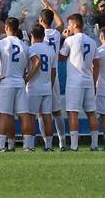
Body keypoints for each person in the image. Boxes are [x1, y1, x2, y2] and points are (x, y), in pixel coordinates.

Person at [58, 13, 100, 151]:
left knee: (72, 112)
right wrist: (94, 81)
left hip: (74, 81)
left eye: (69, 24)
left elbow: (62, 57)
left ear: (75, 24)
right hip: (88, 78)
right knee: (91, 113)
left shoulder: (70, 40)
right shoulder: (92, 41)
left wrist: (63, 38)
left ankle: (74, 145)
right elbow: (97, 63)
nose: (68, 27)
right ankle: (94, 144)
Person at [0, 17, 30, 152]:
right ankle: (27, 146)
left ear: (6, 28)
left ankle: (1, 146)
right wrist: (28, 77)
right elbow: (36, 61)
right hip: (20, 82)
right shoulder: (24, 45)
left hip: (6, 81)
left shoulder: (1, 43)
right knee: (23, 114)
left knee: (4, 114)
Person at [38, 8, 67, 150]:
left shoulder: (38, 34)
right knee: (56, 111)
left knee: (41, 112)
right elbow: (61, 22)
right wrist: (50, 6)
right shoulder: (55, 33)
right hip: (53, 74)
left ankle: (46, 143)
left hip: (40, 75)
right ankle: (62, 143)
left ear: (41, 20)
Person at [25, 24, 55, 151]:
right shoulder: (51, 50)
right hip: (47, 86)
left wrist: (27, 78)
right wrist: (50, 85)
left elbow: (37, 63)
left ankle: (30, 145)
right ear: (43, 36)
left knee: (31, 116)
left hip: (34, 87)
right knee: (47, 116)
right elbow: (54, 72)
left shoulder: (30, 49)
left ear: (32, 35)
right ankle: (48, 145)